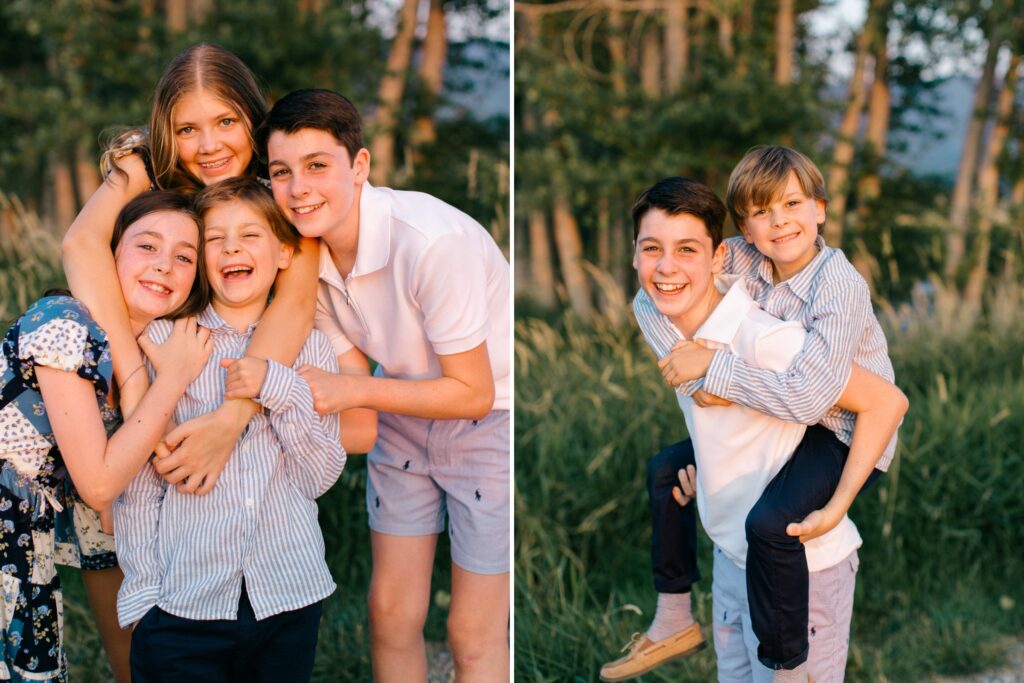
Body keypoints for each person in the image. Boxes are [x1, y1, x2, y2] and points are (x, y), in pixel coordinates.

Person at [58, 43, 320, 681]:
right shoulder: (143, 169)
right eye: (187, 128)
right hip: (126, 395)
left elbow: (295, 303)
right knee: (135, 625)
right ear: (164, 132)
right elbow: (80, 242)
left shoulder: (273, 194)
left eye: (226, 121)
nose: (208, 145)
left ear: (252, 121)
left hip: (223, 418)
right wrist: (140, 379)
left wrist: (234, 416)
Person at [601, 177, 907, 682]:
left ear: (715, 255)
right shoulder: (670, 316)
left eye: (686, 249)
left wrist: (838, 504)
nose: (667, 266)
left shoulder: (776, 338)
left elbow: (886, 401)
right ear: (634, 256)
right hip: (733, 563)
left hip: (802, 565)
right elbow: (650, 305)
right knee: (666, 470)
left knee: (768, 525)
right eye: (651, 249)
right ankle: (673, 619)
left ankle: (789, 667)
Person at [252, 88, 511, 682]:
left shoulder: (429, 244)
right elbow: (351, 375)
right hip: (398, 417)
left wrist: (353, 393)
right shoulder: (302, 261)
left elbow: (470, 391)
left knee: (471, 633)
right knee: (389, 615)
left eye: (318, 166)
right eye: (281, 172)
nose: (299, 189)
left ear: (360, 166)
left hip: (488, 422)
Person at [114, 178, 367, 682]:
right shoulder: (168, 342)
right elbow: (140, 484)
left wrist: (278, 385)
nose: (232, 247)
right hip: (183, 602)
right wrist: (143, 591)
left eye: (250, 235)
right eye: (215, 238)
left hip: (288, 597)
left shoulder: (313, 351)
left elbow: (318, 476)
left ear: (285, 254)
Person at [0, 192, 212, 682]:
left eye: (184, 257)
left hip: (25, 548)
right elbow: (98, 484)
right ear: (110, 252)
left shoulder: (138, 359)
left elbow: (108, 517)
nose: (165, 266)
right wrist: (175, 378)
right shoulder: (63, 321)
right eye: (147, 246)